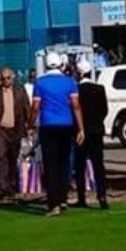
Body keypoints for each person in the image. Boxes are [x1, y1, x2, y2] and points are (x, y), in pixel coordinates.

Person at [29, 52, 85, 217]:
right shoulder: (69, 82)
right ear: (61, 64)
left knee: (50, 164)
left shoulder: (40, 83)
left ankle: (53, 203)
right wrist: (81, 128)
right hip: (66, 125)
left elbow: (35, 107)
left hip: (48, 125)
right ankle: (63, 198)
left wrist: (30, 125)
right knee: (64, 163)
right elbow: (76, 106)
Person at [0, 67, 30, 200]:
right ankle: (2, 188)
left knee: (12, 158)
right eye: (3, 79)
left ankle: (10, 186)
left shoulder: (20, 90)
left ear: (13, 77)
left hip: (16, 129)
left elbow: (26, 108)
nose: (5, 81)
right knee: (1, 157)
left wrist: (30, 126)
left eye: (8, 78)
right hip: (1, 129)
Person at [74, 58, 108, 210]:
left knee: (80, 165)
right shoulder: (99, 89)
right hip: (96, 131)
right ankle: (102, 195)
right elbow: (104, 110)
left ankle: (81, 197)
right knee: (98, 164)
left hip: (80, 131)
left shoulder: (76, 90)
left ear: (79, 74)